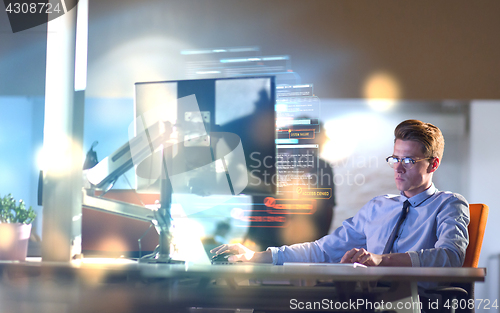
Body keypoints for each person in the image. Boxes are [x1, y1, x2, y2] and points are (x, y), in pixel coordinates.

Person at [211, 119, 469, 269]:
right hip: (368, 300)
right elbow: (325, 249)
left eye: (409, 160)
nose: (398, 168)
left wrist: (380, 259)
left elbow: (451, 256)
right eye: (395, 158)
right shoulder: (378, 206)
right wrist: (255, 256)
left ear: (433, 164)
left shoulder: (449, 204)